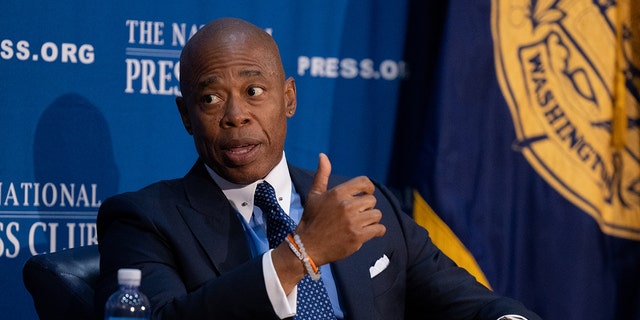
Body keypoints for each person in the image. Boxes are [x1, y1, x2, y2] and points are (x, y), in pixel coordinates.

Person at [94, 17, 541, 320]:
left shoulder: (361, 202)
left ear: (288, 98)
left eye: (254, 90)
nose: (235, 114)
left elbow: (468, 302)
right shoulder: (143, 220)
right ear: (186, 115)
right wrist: (300, 255)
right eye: (211, 98)